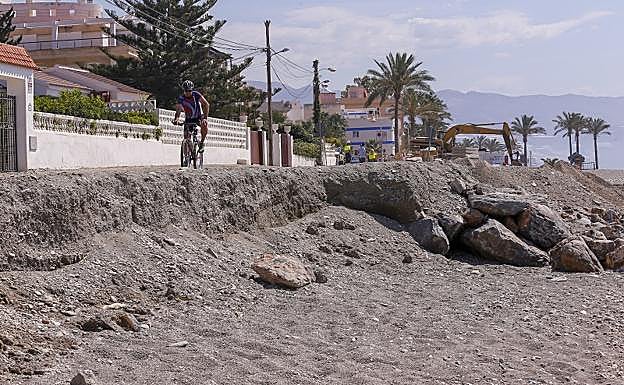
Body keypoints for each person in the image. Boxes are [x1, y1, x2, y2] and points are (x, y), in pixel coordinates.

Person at [174, 80, 210, 153]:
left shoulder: (196, 95)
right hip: (189, 119)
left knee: (204, 124)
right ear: (183, 90)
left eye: (189, 90)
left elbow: (206, 104)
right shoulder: (181, 98)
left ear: (192, 90)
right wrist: (176, 119)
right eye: (186, 91)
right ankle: (186, 157)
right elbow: (178, 110)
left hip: (198, 117)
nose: (188, 92)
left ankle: (202, 143)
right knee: (186, 138)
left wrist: (205, 118)